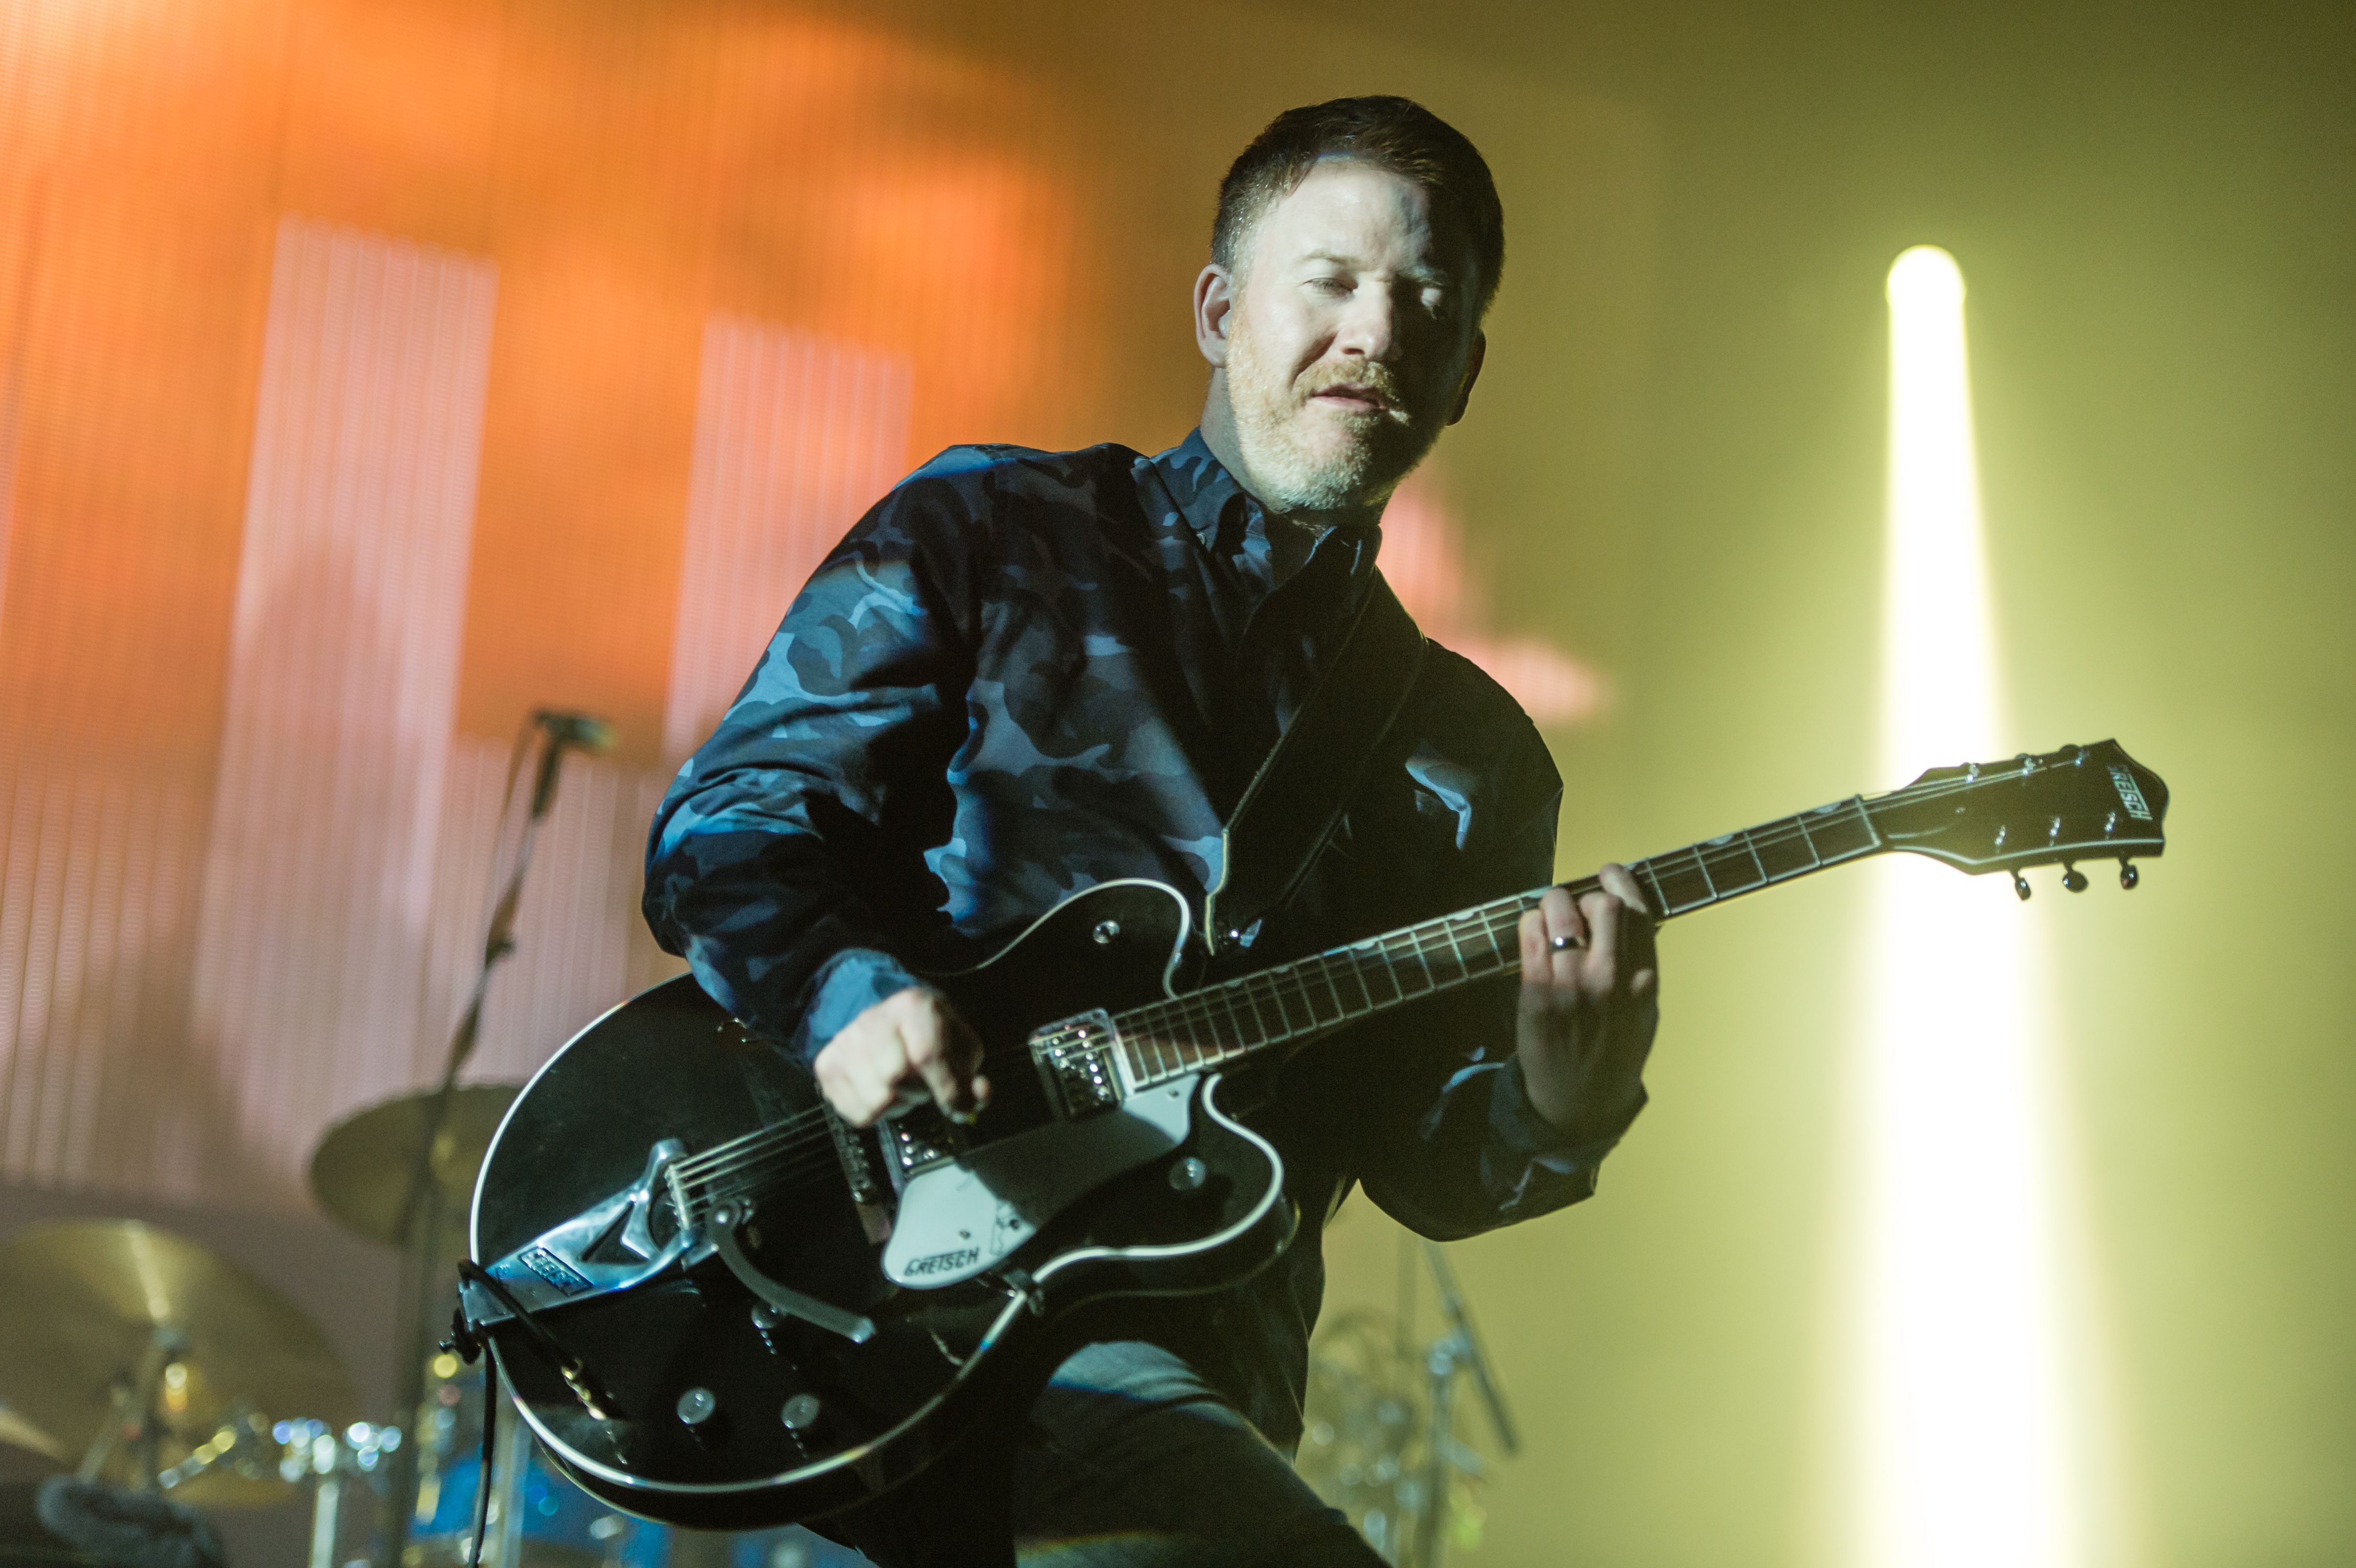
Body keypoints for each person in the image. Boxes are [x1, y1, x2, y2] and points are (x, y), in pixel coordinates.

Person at [645, 95, 1661, 1568]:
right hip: (863, 1301)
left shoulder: (1471, 758)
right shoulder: (995, 531)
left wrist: (1562, 1104)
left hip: (1185, 1380)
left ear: (1468, 373)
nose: (1378, 328)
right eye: (1332, 278)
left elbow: (1428, 1163)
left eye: (1426, 298)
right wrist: (845, 997)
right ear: (1218, 308)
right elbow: (728, 827)